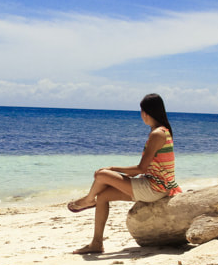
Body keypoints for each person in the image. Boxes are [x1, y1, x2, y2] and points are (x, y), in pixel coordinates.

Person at [67, 94, 181, 254]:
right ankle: (96, 243)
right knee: (103, 196)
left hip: (154, 188)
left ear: (146, 113)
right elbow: (145, 169)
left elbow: (141, 168)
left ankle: (88, 199)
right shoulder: (163, 131)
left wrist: (114, 168)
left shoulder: (157, 134)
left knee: (100, 174)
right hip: (155, 185)